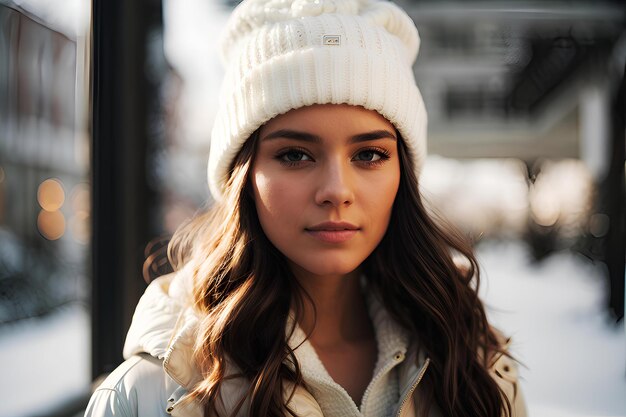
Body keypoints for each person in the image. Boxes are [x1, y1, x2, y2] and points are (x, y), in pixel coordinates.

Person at [85, 0, 527, 416]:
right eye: (295, 155)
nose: (336, 191)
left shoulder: (472, 365)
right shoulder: (149, 393)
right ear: (243, 174)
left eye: (369, 154)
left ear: (403, 174)